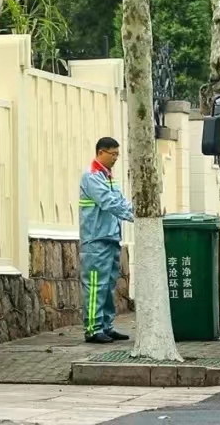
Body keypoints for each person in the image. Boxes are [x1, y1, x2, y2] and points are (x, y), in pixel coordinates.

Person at [79, 137, 135, 343]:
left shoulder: (108, 176)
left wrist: (138, 212)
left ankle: (106, 326)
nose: (115, 159)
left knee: (108, 285)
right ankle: (93, 329)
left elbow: (120, 200)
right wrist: (135, 216)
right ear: (101, 152)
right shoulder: (92, 177)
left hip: (110, 238)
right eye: (113, 155)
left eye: (117, 155)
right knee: (95, 285)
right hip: (95, 240)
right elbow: (108, 202)